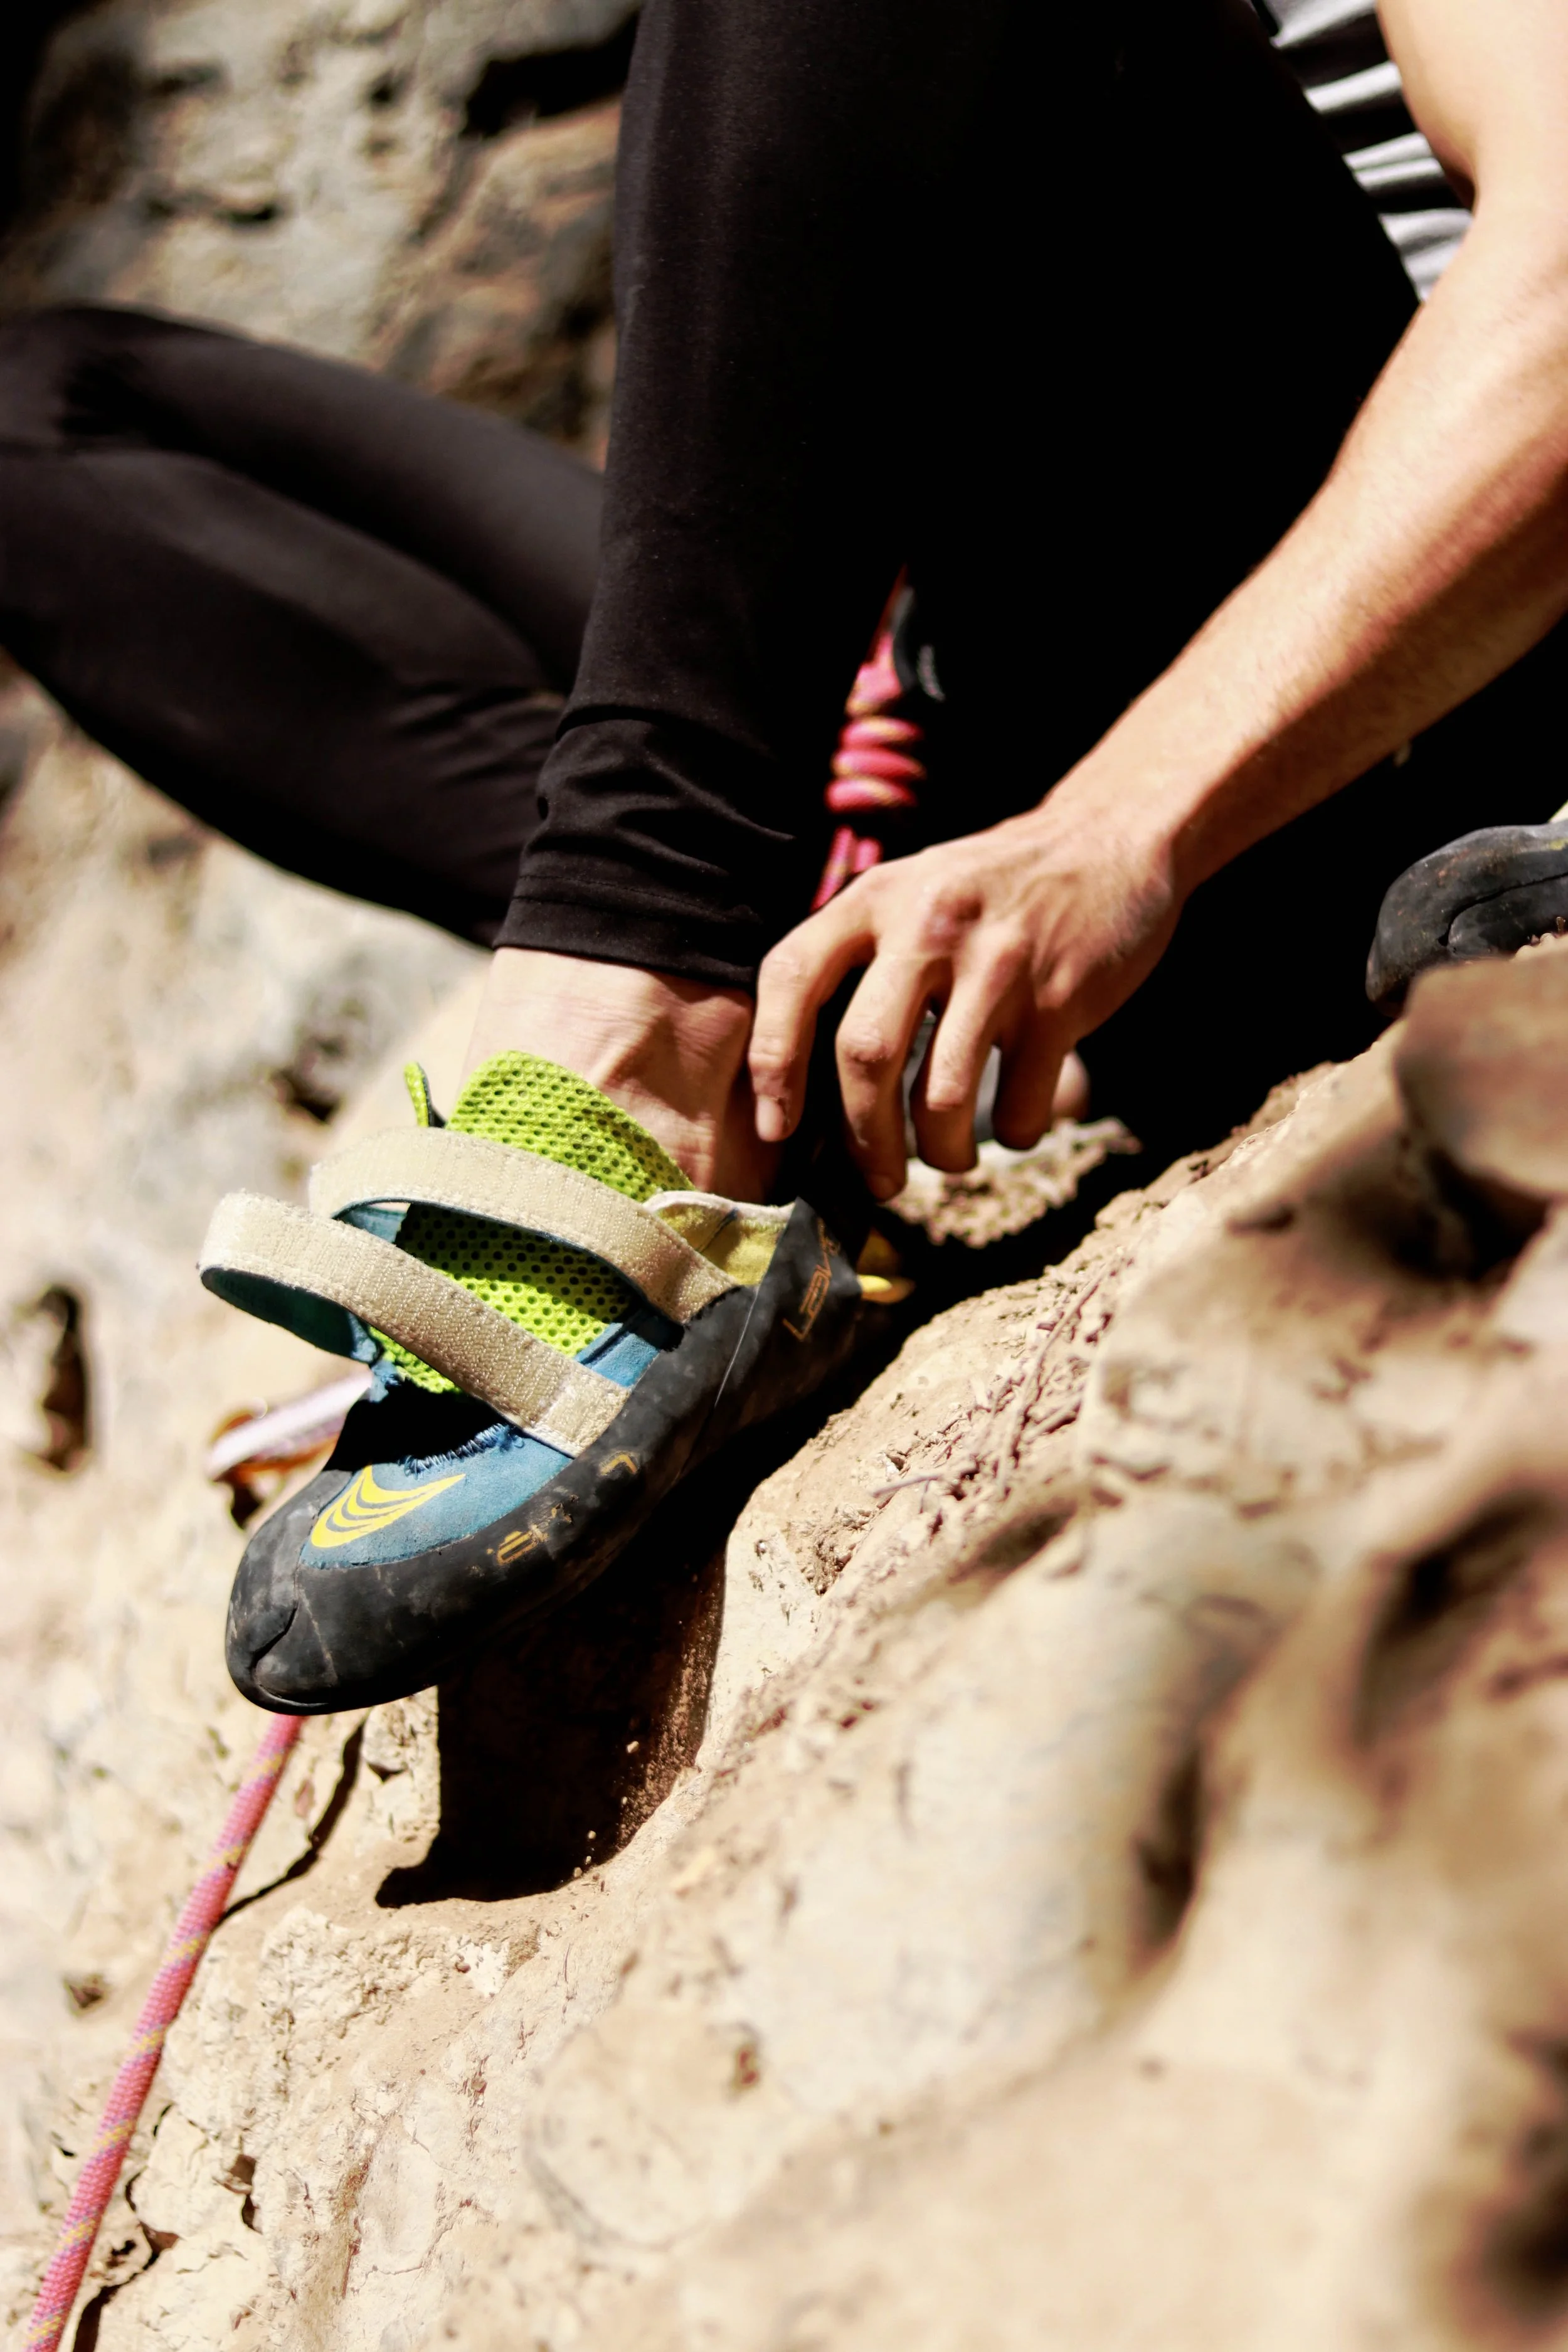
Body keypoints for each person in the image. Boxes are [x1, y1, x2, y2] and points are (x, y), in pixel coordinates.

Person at [7, 0, 1568, 1714]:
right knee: (35, 411)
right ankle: (730, 964)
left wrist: (1118, 817)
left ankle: (650, 1019)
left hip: (1405, 696)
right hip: (996, 702)